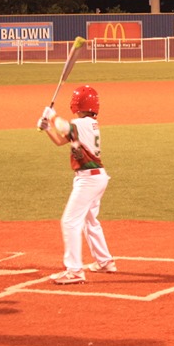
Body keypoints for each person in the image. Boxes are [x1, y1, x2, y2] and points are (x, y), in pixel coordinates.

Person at [37, 85, 116, 285]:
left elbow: (64, 127)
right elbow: (59, 140)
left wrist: (52, 116)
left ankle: (74, 271)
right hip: (95, 177)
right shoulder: (88, 124)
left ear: (77, 104)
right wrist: (47, 128)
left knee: (70, 221)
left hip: (89, 179)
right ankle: (104, 261)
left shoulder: (82, 124)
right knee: (90, 220)